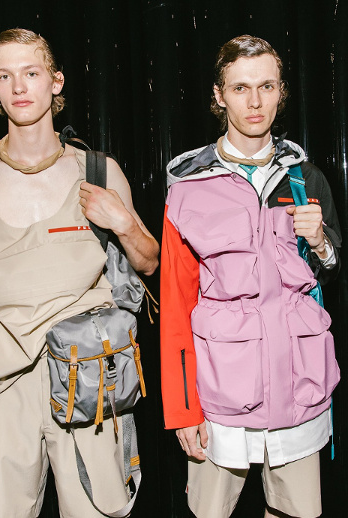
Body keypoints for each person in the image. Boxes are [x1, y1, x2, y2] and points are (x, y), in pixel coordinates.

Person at [0, 28, 159, 517]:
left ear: (55, 82)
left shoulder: (99, 171)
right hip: (4, 382)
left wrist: (123, 222)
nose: (19, 87)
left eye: (31, 73)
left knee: (98, 510)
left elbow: (150, 262)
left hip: (88, 372)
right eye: (5, 76)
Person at [160, 35, 341, 518]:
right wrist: (183, 409)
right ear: (219, 96)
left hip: (299, 391)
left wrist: (320, 242)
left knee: (297, 512)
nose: (255, 101)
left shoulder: (306, 178)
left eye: (266, 86)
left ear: (282, 92)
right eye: (240, 88)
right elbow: (176, 304)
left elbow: (332, 274)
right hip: (221, 397)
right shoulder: (188, 186)